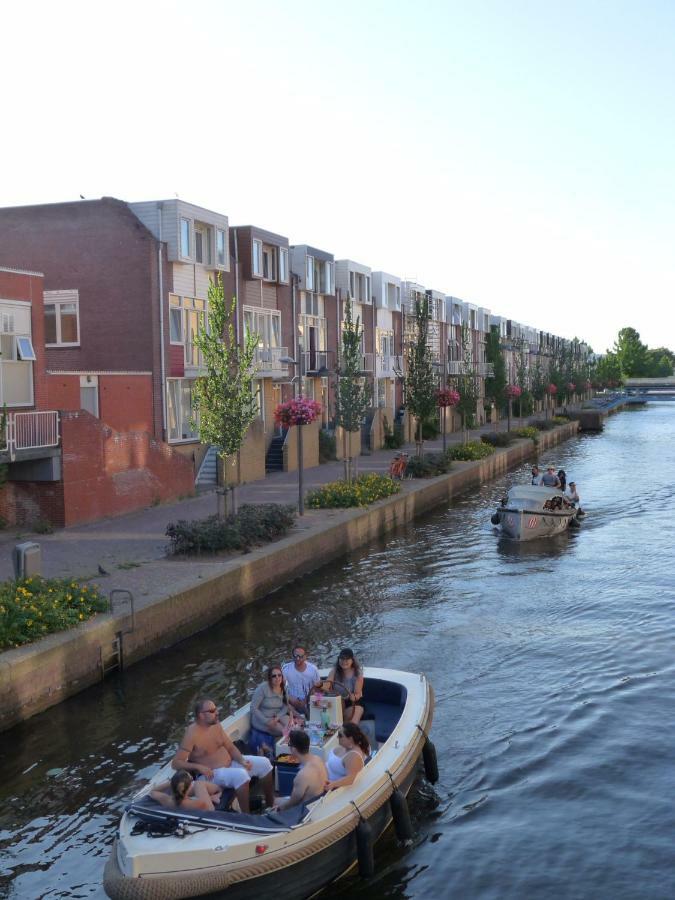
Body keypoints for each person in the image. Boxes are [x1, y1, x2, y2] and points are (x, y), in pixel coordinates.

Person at [171, 697, 274, 813]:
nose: (217, 712)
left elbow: (230, 747)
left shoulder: (216, 725)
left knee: (265, 763)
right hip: (211, 774)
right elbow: (176, 764)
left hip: (230, 764)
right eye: (212, 711)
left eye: (216, 709)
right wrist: (198, 767)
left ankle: (271, 806)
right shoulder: (192, 734)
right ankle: (246, 816)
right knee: (241, 775)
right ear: (201, 715)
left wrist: (241, 760)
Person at [274, 729, 328, 810]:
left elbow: (292, 802)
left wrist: (278, 809)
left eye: (289, 744)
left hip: (305, 811)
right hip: (319, 803)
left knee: (275, 802)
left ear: (294, 749)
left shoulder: (302, 775)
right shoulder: (318, 759)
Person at [249, 665, 294, 754]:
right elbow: (253, 707)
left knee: (291, 728)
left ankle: (292, 749)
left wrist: (278, 717)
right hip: (262, 719)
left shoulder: (283, 688)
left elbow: (285, 706)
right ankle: (283, 751)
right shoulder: (263, 688)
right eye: (274, 676)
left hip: (277, 715)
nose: (277, 678)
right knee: (283, 731)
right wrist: (266, 721)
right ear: (270, 678)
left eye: (279, 675)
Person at [325, 723, 370, 791]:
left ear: (350, 739)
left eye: (340, 735)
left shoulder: (354, 756)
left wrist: (333, 784)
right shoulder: (349, 747)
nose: (337, 737)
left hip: (327, 785)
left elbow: (351, 779)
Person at [150, 769, 221, 811]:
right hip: (209, 809)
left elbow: (152, 791)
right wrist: (209, 798)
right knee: (199, 784)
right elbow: (211, 810)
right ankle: (220, 792)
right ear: (190, 786)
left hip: (180, 806)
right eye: (191, 779)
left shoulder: (166, 799)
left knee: (198, 784)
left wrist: (171, 782)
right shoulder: (198, 804)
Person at [326, 648, 365, 724]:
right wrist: (320, 685)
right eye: (342, 659)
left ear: (352, 660)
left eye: (347, 659)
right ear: (338, 659)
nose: (344, 661)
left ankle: (349, 731)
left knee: (355, 716)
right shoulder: (334, 671)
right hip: (336, 702)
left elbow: (358, 694)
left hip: (351, 703)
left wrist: (353, 696)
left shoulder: (358, 674)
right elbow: (327, 684)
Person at [282, 646, 322, 716]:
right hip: (292, 701)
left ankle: (303, 717)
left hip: (309, 700)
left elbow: (318, 689)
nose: (297, 658)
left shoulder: (313, 669)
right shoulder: (286, 668)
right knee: (283, 705)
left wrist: (313, 700)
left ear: (305, 656)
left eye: (300, 656)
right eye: (295, 656)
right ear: (292, 656)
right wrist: (289, 698)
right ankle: (298, 717)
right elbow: (280, 688)